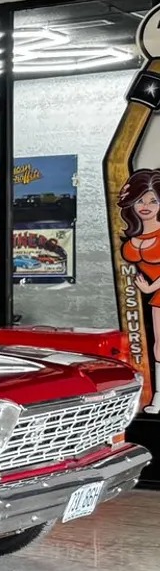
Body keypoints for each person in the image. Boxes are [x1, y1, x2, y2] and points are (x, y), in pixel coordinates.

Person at [116, 168, 160, 409]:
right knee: (159, 345)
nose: (146, 205)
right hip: (154, 296)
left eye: (153, 200)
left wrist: (151, 286)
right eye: (141, 199)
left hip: (154, 291)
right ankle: (158, 396)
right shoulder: (131, 237)